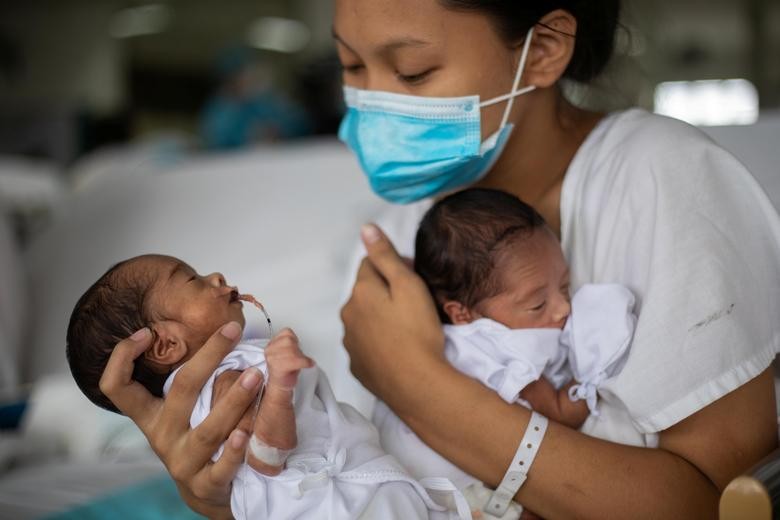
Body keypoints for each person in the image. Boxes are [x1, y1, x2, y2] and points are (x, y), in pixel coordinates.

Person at [97, 0, 780, 517]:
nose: (372, 101)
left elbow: (714, 502)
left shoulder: (661, 178)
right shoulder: (402, 224)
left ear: (542, 50)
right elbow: (379, 475)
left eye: (413, 70)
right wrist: (233, 491)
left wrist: (415, 381)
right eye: (352, 68)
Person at [66, 254, 468, 520]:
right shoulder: (226, 380)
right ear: (167, 344)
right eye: (192, 279)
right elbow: (265, 456)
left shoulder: (217, 381)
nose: (216, 277)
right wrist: (278, 387)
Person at [373, 187, 636, 519]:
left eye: (565, 285)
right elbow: (558, 412)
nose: (563, 308)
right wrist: (594, 378)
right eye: (538, 303)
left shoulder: (449, 335)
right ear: (462, 312)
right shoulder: (502, 347)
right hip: (457, 490)